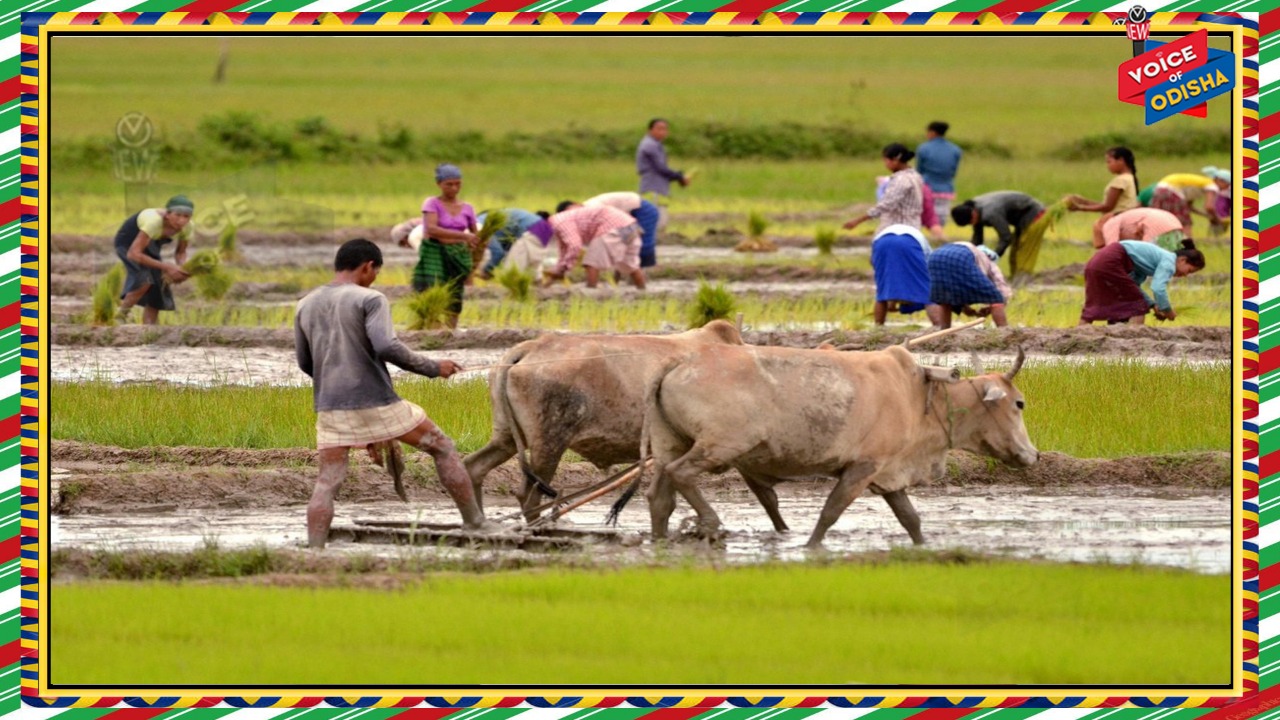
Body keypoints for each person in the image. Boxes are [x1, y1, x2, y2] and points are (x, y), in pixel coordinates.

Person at [294, 238, 496, 549]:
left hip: (329, 406)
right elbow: (386, 345)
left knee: (327, 481)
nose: (374, 278)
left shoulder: (305, 304)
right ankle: (476, 523)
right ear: (368, 266)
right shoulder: (370, 299)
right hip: (376, 399)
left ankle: (315, 550)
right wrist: (433, 367)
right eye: (375, 272)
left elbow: (306, 363)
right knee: (442, 447)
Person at [844, 144, 939, 326]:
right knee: (924, 283)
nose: (885, 163)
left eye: (886, 159)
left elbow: (885, 205)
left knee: (883, 284)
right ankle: (939, 328)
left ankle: (879, 327)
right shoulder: (916, 176)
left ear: (895, 159)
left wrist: (858, 220)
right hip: (913, 234)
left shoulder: (900, 180)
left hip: (892, 234)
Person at [1079, 239, 1205, 326]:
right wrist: (1167, 310)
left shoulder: (1146, 262)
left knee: (1095, 304)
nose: (1185, 275)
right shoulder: (1169, 262)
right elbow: (1157, 288)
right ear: (1182, 260)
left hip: (1097, 261)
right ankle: (1134, 344)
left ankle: (1079, 334)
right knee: (1138, 308)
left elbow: (1133, 287)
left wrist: (1153, 305)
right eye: (1189, 270)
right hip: (1112, 261)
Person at [414, 163, 479, 329]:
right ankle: (432, 326)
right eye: (449, 184)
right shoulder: (432, 203)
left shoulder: (467, 208)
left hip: (458, 254)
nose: (454, 188)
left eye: (457, 183)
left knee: (455, 292)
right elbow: (432, 229)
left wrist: (473, 252)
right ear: (439, 184)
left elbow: (476, 235)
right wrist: (463, 236)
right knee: (431, 287)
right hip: (434, 251)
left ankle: (450, 331)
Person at [113, 195, 195, 325]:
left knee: (159, 284)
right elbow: (134, 253)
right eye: (178, 215)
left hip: (151, 244)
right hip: (128, 245)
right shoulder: (154, 222)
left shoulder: (188, 227)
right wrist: (167, 267)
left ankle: (149, 327)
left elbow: (180, 252)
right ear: (168, 214)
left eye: (186, 217)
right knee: (144, 280)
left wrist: (182, 268)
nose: (181, 221)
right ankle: (120, 316)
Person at [546, 201, 646, 289]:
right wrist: (559, 269)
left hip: (612, 225)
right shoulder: (561, 223)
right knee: (629, 265)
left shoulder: (558, 221)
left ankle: (590, 293)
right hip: (632, 227)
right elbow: (564, 249)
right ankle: (643, 293)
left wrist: (565, 267)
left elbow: (575, 245)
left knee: (591, 263)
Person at [1065, 146, 1140, 247]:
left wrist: (1080, 207)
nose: (1108, 165)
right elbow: (1108, 205)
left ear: (1121, 160)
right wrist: (1083, 201)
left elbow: (1108, 207)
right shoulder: (1129, 178)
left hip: (1116, 221)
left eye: (1109, 162)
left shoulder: (1121, 180)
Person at [927, 242, 1012, 329]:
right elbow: (999, 283)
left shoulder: (964, 249)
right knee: (996, 298)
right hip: (960, 258)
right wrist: (996, 303)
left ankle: (944, 331)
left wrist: (964, 307)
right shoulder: (987, 259)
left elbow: (957, 288)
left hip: (934, 257)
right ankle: (1004, 330)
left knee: (945, 299)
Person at [949, 191, 1045, 260]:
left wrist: (993, 257)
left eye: (970, 222)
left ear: (973, 215)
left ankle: (1023, 277)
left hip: (1032, 211)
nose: (972, 225)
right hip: (1017, 216)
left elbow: (1006, 237)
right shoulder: (974, 207)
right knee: (1015, 251)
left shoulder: (990, 214)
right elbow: (978, 240)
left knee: (1022, 247)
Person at [635, 118, 689, 234]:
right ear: (650, 130)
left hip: (659, 189)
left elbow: (662, 169)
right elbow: (661, 168)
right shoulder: (650, 145)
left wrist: (678, 176)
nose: (663, 132)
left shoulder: (655, 144)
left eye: (665, 129)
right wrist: (679, 177)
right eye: (659, 129)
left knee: (659, 223)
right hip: (653, 189)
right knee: (657, 223)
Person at [584, 191, 663, 268]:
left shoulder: (592, 209)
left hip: (643, 210)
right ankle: (627, 273)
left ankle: (641, 274)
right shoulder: (586, 211)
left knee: (641, 244)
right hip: (629, 211)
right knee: (623, 243)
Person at [1143, 169, 1228, 237]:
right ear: (1220, 181)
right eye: (1228, 185)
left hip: (1159, 189)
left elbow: (1188, 206)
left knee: (1161, 219)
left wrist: (1206, 215)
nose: (1226, 188)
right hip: (1173, 191)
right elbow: (1209, 207)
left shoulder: (1200, 184)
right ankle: (1188, 245)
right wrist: (1218, 220)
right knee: (1185, 222)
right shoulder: (1212, 185)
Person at [474, 209, 550, 279]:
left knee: (511, 272)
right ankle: (540, 290)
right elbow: (505, 249)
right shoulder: (499, 224)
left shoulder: (481, 226)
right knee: (530, 271)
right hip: (544, 230)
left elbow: (498, 252)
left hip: (530, 230)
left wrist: (486, 270)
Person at [916, 121, 963, 226]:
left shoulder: (924, 148)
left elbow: (919, 170)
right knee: (941, 219)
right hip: (946, 188)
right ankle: (939, 238)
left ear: (932, 132)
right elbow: (953, 171)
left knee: (922, 216)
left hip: (926, 186)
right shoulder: (955, 150)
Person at [1099, 208, 1185, 251]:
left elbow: (1111, 248)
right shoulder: (1128, 217)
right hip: (1174, 224)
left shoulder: (1110, 223)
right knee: (1172, 260)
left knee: (1150, 261)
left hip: (1155, 228)